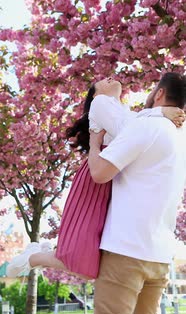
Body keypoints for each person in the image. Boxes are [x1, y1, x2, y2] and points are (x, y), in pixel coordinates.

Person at [6, 76, 185, 280]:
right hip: (97, 175)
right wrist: (161, 112)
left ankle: (42, 253)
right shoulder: (101, 103)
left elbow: (138, 124)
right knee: (86, 266)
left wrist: (159, 113)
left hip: (114, 177)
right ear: (95, 94)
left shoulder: (128, 112)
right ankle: (35, 258)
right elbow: (129, 129)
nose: (109, 78)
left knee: (97, 260)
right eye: (100, 82)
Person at [88, 72, 186, 314]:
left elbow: (99, 173)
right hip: (160, 255)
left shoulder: (146, 127)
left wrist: (93, 144)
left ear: (160, 93)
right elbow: (130, 120)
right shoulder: (180, 134)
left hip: (126, 250)